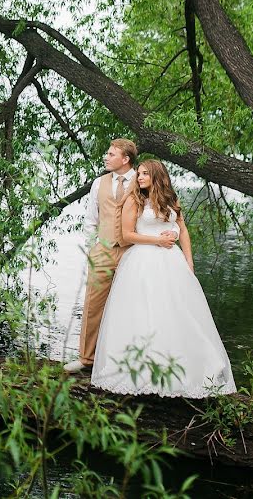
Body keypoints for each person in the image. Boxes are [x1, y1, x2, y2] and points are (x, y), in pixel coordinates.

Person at [89, 159, 236, 397]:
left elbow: (182, 228)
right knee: (145, 313)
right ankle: (141, 371)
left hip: (172, 263)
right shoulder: (134, 200)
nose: (140, 177)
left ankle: (180, 368)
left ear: (157, 175)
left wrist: (189, 261)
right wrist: (158, 240)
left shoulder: (171, 199)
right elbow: (127, 235)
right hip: (142, 262)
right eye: (139, 174)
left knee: (177, 312)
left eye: (145, 173)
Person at [64, 139, 177, 374]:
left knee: (129, 307)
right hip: (103, 250)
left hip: (133, 251)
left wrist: (172, 232)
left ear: (125, 159)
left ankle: (123, 361)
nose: (106, 157)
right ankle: (87, 359)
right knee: (93, 304)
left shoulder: (143, 178)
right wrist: (91, 249)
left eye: (111, 153)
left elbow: (164, 210)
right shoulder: (99, 183)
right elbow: (90, 220)